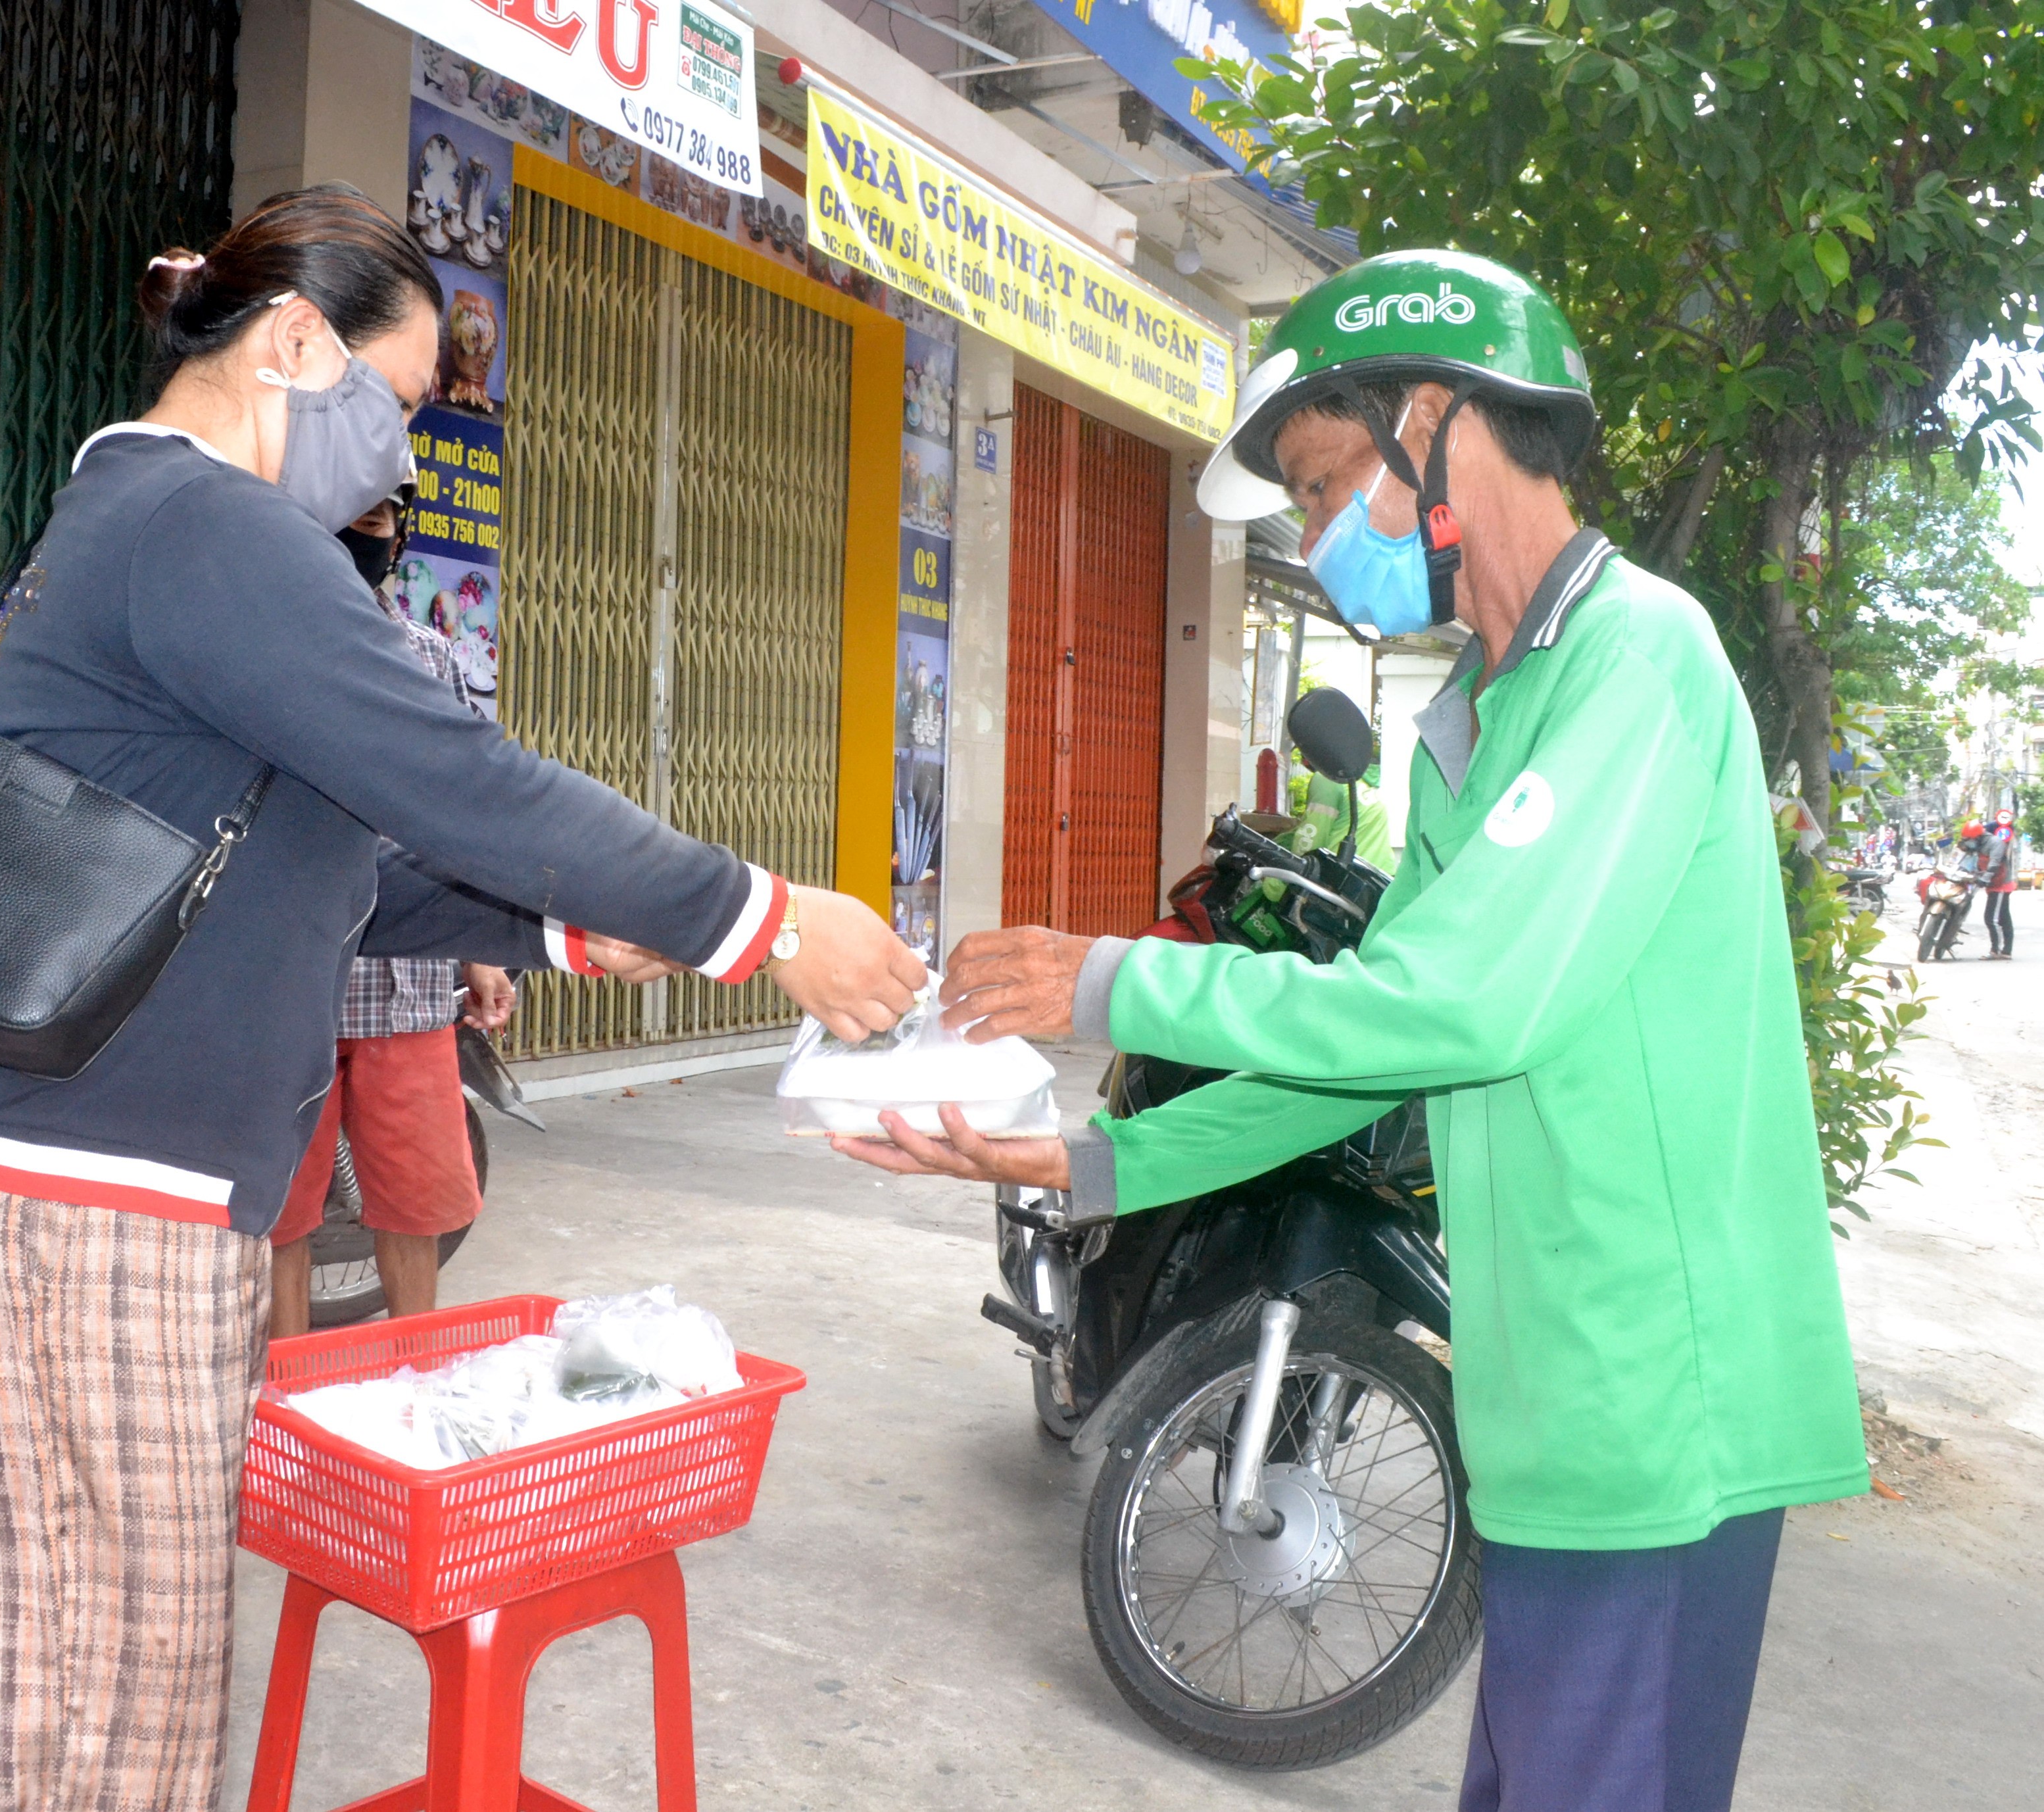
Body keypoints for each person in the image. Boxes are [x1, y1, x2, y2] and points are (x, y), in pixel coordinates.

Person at [0, 184, 924, 1812]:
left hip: (17, 1166)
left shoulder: (127, 518)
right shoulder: (214, 526)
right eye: (403, 404)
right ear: (293, 341)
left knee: (41, 1680)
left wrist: (573, 938)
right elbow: (452, 776)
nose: (407, 456)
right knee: (130, 1694)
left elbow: (322, 852)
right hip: (94, 1197)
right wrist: (759, 916)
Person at [837, 250, 1866, 1812]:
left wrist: (1110, 979)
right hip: (1548, 1387)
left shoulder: (1633, 662)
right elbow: (1364, 1056)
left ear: (1437, 420)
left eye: (1321, 489)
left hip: (1661, 1393)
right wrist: (1083, 1155)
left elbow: (1456, 1000)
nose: (1315, 545)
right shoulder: (1477, 720)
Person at [268, 491, 516, 1336]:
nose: (357, 539)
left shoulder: (428, 657)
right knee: (281, 1211)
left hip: (403, 988)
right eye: (343, 522)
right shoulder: (257, 647)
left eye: (376, 525)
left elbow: (457, 813)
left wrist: (480, 947)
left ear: (397, 543)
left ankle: (415, 1367)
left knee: (415, 1202)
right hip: (284, 981)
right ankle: (286, 1398)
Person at [1280, 751, 1396, 875]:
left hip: (1344, 881)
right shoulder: (1367, 781)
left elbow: (1309, 844)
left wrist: (1273, 888)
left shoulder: (1328, 779)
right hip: (1382, 878)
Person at [1979, 810, 2017, 958]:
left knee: (1991, 918)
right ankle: (2006, 951)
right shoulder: (1990, 839)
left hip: (2000, 885)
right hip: (1996, 884)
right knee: (2003, 918)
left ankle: (1996, 950)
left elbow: (1994, 864)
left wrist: (1986, 878)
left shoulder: (1996, 844)